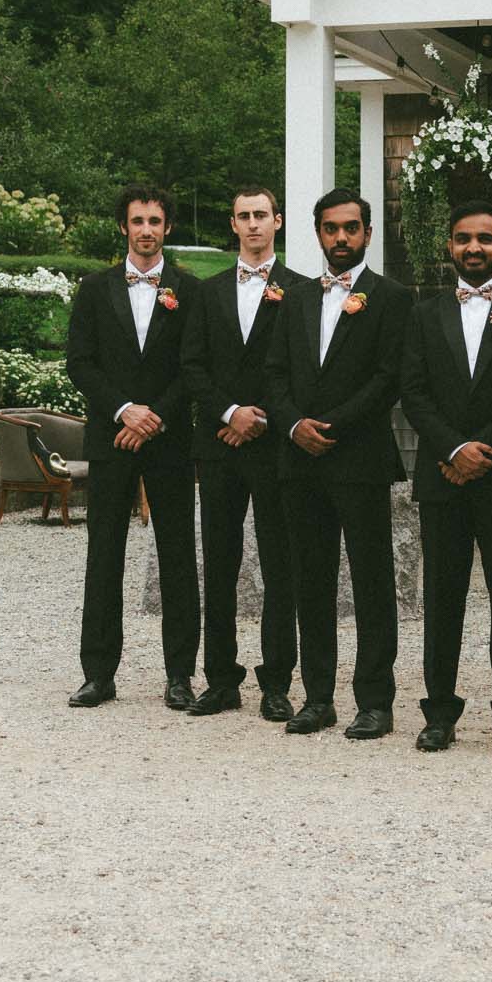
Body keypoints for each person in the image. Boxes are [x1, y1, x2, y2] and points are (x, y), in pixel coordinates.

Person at [398, 200, 492, 756]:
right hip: (443, 476)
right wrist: (452, 448)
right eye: (463, 239)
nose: (473, 248)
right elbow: (412, 390)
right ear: (449, 247)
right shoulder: (423, 314)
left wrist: (483, 448)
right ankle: (439, 712)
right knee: (443, 595)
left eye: (484, 239)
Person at [265, 189, 414, 738]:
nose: (341, 238)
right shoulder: (296, 297)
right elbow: (275, 372)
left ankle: (375, 700)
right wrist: (293, 425)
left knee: (373, 582)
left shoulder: (393, 298)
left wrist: (334, 425)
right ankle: (318, 696)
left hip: (361, 459)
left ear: (368, 234)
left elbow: (389, 378)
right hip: (299, 460)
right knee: (311, 581)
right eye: (331, 229)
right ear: (318, 234)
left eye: (351, 228)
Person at [179, 185, 313, 722]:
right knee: (220, 562)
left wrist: (259, 416)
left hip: (275, 447)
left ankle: (277, 679)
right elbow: (192, 365)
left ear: (277, 221)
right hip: (218, 448)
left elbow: (304, 370)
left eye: (261, 215)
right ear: (232, 226)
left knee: (281, 565)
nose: (253, 224)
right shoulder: (207, 293)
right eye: (243, 216)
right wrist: (228, 413)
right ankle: (221, 678)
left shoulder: (300, 291)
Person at [65, 184, 200, 710]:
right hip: (112, 437)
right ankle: (98, 673)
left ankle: (179, 675)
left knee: (178, 557)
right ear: (123, 227)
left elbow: (193, 365)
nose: (147, 230)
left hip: (167, 440)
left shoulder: (189, 291)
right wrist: (125, 410)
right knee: (104, 556)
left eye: (155, 221)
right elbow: (80, 362)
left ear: (168, 228)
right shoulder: (95, 289)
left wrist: (155, 416)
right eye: (138, 221)